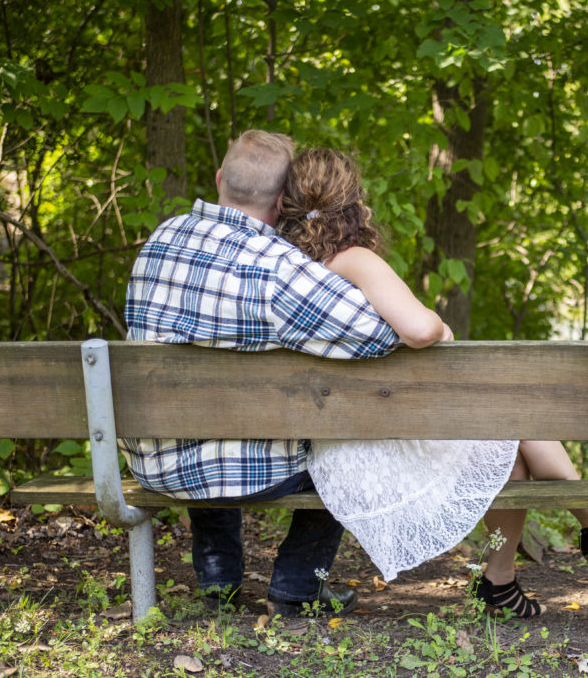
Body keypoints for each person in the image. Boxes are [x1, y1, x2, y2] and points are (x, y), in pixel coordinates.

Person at [276, 148, 588, 619]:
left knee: (509, 440)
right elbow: (424, 331)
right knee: (512, 423)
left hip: (336, 439)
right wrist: (441, 328)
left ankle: (511, 577)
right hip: (373, 446)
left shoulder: (282, 267)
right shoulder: (355, 260)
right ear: (352, 200)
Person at [122, 130, 403, 619]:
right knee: (341, 453)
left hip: (153, 460)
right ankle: (296, 589)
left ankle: (219, 586)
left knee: (199, 425)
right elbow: (382, 334)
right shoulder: (278, 266)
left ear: (219, 179)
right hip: (239, 470)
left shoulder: (159, 240)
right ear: (282, 201)